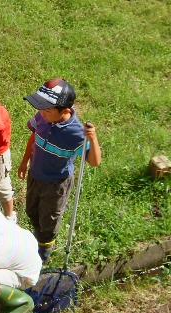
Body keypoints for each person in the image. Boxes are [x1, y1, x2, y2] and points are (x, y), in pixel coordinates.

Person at [17, 78, 101, 263]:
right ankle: (37, 233)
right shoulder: (42, 118)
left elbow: (94, 162)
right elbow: (33, 138)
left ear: (66, 111)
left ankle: (43, 251)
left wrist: (93, 140)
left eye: (47, 110)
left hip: (56, 184)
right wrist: (24, 163)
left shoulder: (77, 134)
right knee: (31, 210)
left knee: (49, 221)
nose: (41, 113)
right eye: (41, 108)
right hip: (35, 174)